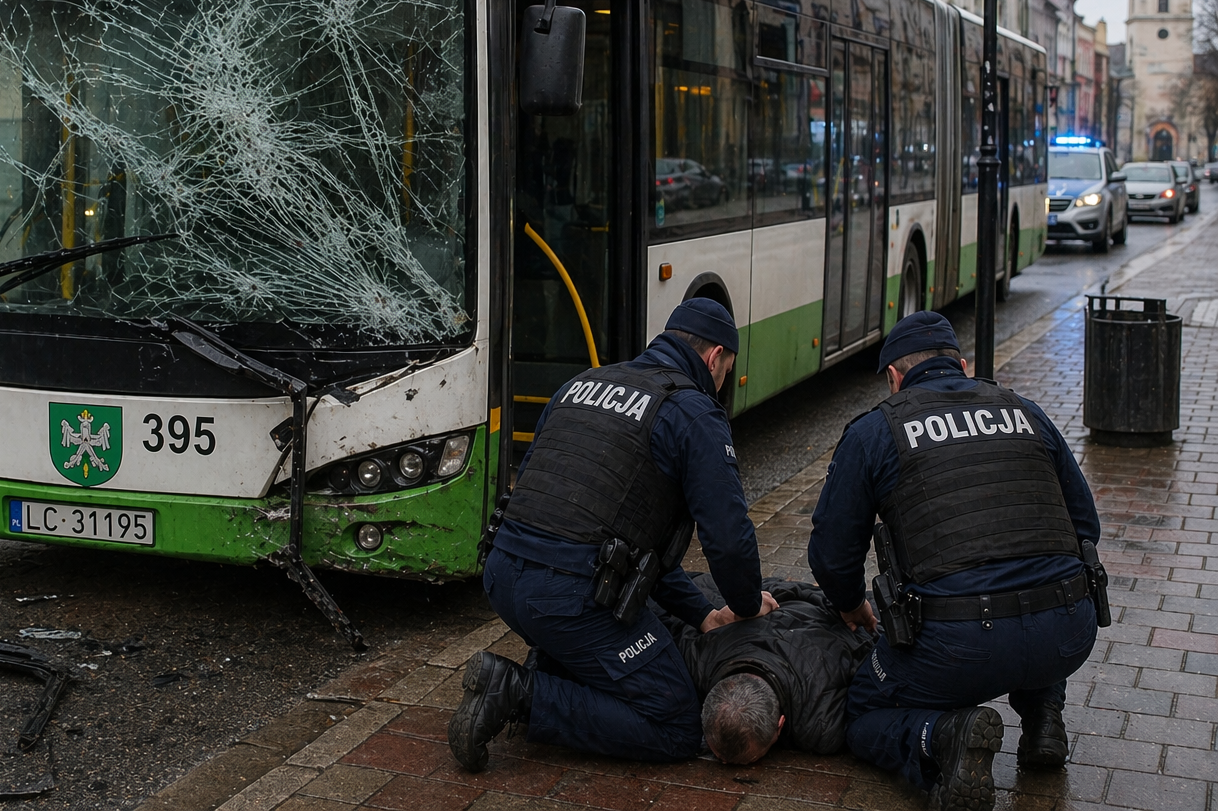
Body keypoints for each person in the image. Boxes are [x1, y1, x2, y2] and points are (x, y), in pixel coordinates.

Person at [449, 298, 777, 771]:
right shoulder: (692, 412)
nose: (723, 379)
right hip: (568, 598)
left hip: (502, 577)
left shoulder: (580, 383)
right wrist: (746, 607)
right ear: (714, 357)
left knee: (594, 637)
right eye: (727, 367)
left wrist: (703, 613)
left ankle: (552, 669)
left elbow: (626, 542)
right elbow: (729, 538)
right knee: (676, 723)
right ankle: (518, 693)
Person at [807, 312, 1102, 811]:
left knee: (861, 711)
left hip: (956, 648)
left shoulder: (876, 431)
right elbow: (1084, 529)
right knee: (1035, 561)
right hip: (1069, 634)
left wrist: (851, 604)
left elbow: (832, 554)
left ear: (894, 378)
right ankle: (1044, 719)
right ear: (963, 367)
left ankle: (943, 735)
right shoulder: (1026, 412)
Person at [665, 576, 875, 764]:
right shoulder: (698, 660)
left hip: (815, 611)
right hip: (796, 602)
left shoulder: (820, 725)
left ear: (780, 725)